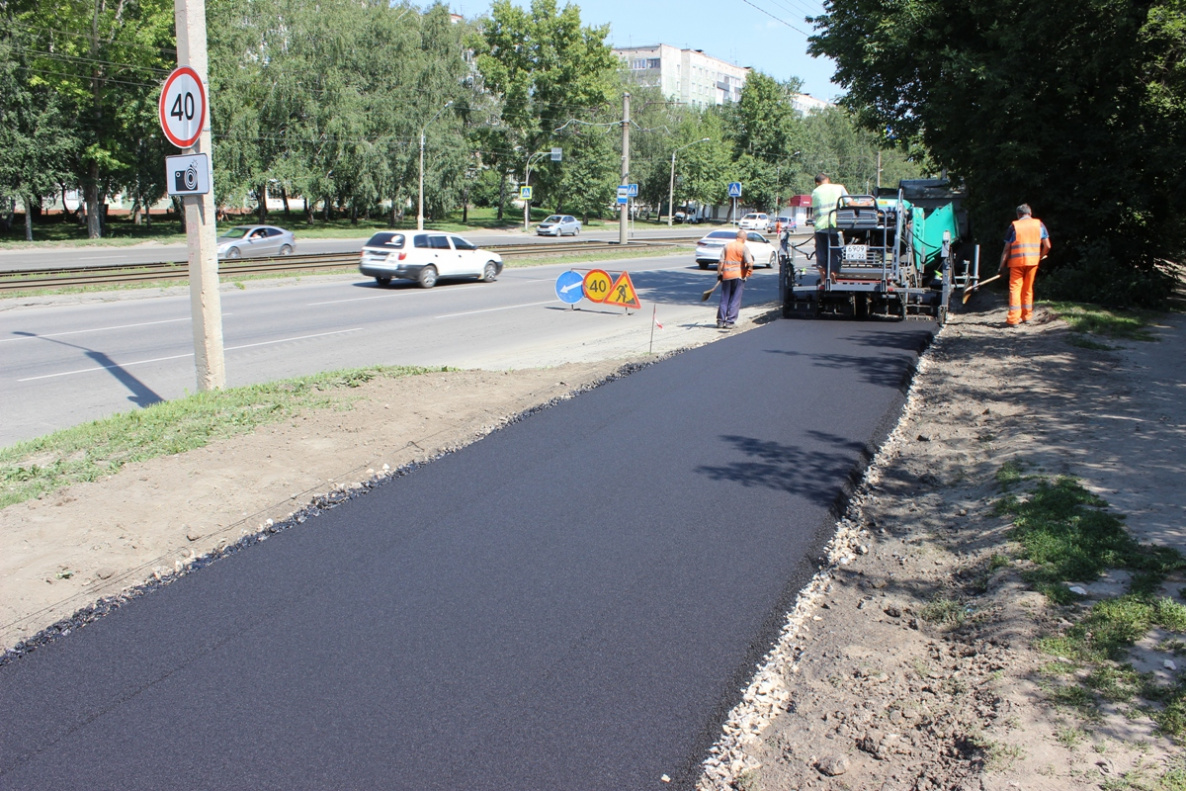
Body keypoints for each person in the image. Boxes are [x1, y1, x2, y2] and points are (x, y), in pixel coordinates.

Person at [998, 203, 1051, 326]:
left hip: (1017, 263)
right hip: (1033, 262)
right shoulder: (1039, 224)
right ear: (1030, 213)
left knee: (1015, 289)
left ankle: (1013, 319)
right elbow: (1047, 245)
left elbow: (1007, 249)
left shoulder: (1014, 226)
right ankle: (1027, 316)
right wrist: (1040, 256)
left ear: (1018, 214)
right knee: (1028, 288)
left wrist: (1001, 266)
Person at [811, 174, 848, 282]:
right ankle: (833, 278)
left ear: (817, 183)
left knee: (821, 255)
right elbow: (850, 203)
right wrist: (865, 204)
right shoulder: (839, 188)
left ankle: (823, 280)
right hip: (835, 227)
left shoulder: (815, 192)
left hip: (820, 228)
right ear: (828, 179)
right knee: (836, 254)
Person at [717, 228, 754, 329]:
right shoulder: (744, 247)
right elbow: (750, 263)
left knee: (724, 299)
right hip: (738, 277)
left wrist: (719, 274)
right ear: (744, 238)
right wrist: (748, 273)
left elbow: (720, 262)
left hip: (726, 276)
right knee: (735, 300)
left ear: (736, 237)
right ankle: (730, 322)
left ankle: (720, 321)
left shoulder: (727, 246)